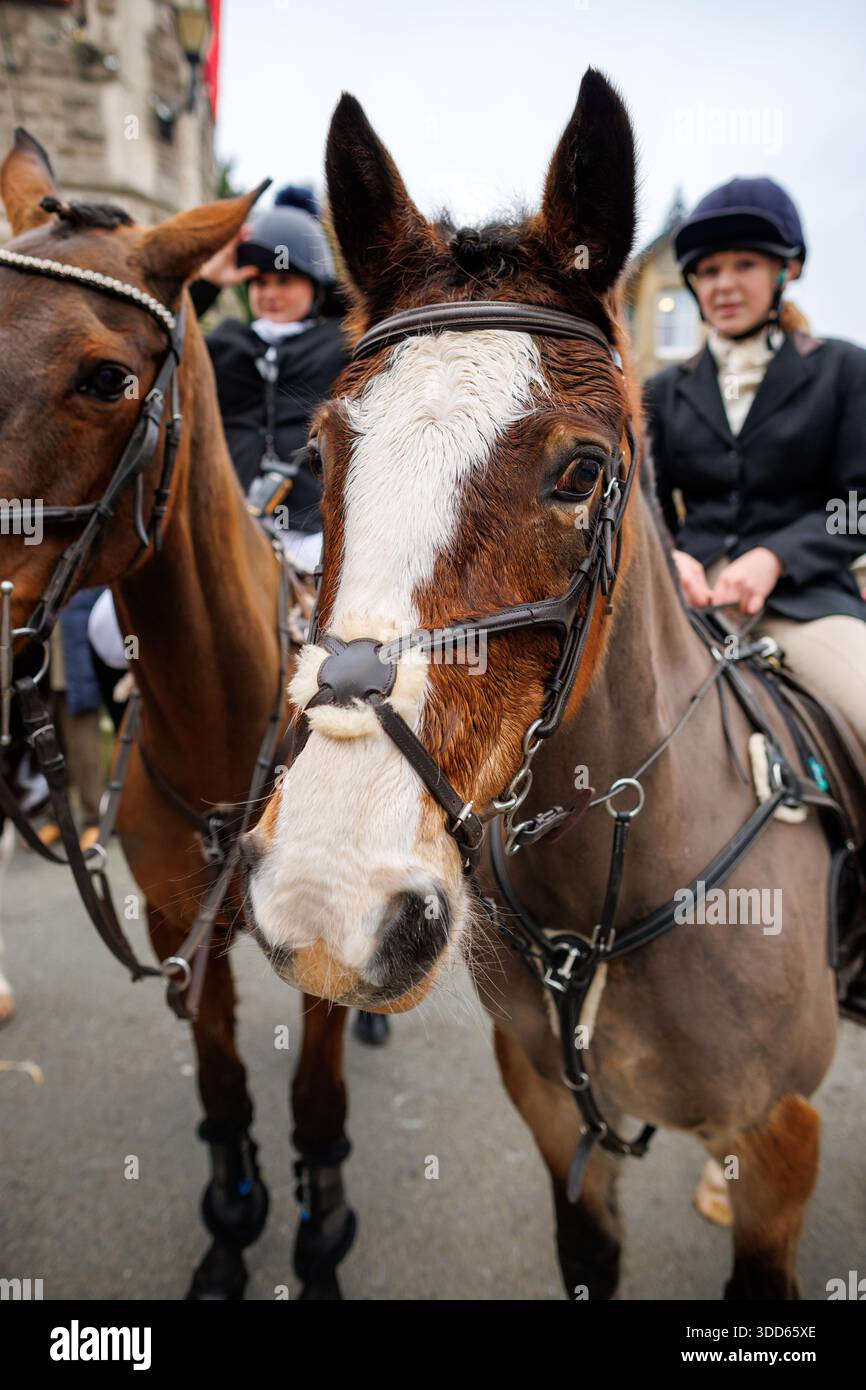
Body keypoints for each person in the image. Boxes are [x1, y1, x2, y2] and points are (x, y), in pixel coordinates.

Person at [644, 176, 866, 1018]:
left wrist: (777, 555)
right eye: (708, 271)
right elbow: (637, 508)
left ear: (786, 274)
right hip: (691, 608)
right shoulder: (663, 392)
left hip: (806, 600)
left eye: (745, 265)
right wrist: (674, 561)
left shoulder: (843, 370)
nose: (724, 284)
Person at [191, 190, 347, 572]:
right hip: (222, 524)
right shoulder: (224, 342)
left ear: (315, 286)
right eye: (259, 282)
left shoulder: (343, 343)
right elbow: (151, 338)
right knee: (104, 621)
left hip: (312, 530)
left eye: (284, 280)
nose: (270, 294)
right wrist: (208, 281)